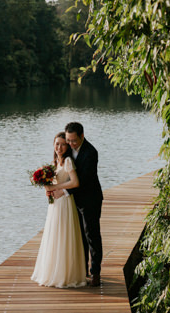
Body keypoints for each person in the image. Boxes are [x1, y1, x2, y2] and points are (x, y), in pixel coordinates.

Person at [30, 132, 88, 288]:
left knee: (64, 235)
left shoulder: (68, 161)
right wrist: (47, 189)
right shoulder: (54, 162)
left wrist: (57, 188)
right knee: (54, 235)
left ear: (67, 146)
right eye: (57, 144)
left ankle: (66, 275)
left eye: (63, 144)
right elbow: (50, 184)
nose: (59, 147)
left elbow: (75, 182)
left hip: (65, 203)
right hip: (54, 205)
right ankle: (53, 271)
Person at [63, 121, 104, 287]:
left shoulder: (90, 153)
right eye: (68, 140)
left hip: (90, 199)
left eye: (74, 141)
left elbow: (84, 181)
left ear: (82, 136)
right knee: (79, 235)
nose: (71, 144)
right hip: (74, 200)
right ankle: (82, 270)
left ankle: (95, 273)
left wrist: (64, 191)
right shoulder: (67, 149)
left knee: (91, 234)